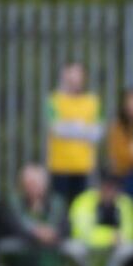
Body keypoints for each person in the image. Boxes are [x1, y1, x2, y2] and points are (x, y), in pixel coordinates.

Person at [46, 62, 104, 203]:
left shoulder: (93, 101)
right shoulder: (53, 100)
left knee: (82, 207)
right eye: (71, 74)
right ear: (64, 76)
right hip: (59, 166)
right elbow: (55, 129)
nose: (75, 79)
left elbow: (97, 133)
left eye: (78, 75)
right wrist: (82, 127)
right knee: (59, 207)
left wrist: (69, 126)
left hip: (84, 166)